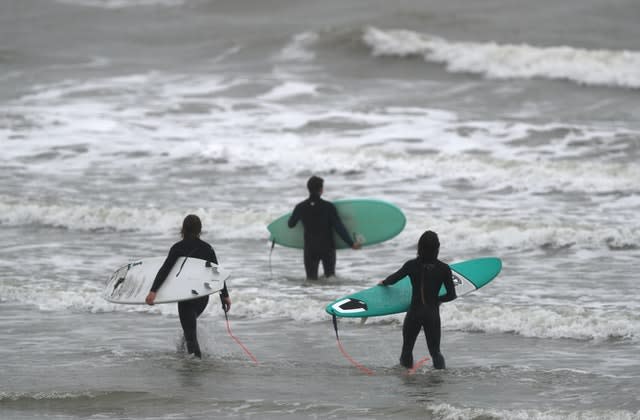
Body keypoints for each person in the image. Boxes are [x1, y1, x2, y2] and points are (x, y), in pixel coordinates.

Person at [145, 214, 231, 358]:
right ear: (200, 230)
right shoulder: (207, 248)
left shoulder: (178, 248)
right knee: (189, 330)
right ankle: (183, 357)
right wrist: (225, 296)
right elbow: (217, 273)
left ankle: (195, 366)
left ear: (183, 229)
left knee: (190, 334)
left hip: (186, 297)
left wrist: (153, 291)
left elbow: (165, 270)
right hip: (202, 297)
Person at [378, 230, 456, 370]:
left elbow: (393, 279)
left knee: (407, 350)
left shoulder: (411, 265)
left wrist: (384, 282)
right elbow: (451, 295)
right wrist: (437, 300)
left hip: (414, 312)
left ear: (419, 247)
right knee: (435, 352)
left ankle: (407, 378)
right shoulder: (444, 269)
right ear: (437, 248)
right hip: (432, 314)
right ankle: (440, 377)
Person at [288, 175, 361, 280]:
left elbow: (291, 224)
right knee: (330, 279)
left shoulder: (301, 207)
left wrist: (296, 215)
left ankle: (309, 296)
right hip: (327, 248)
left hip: (310, 248)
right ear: (321, 189)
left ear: (308, 189)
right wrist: (351, 243)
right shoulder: (328, 207)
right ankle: (327, 296)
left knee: (311, 280)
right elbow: (339, 227)